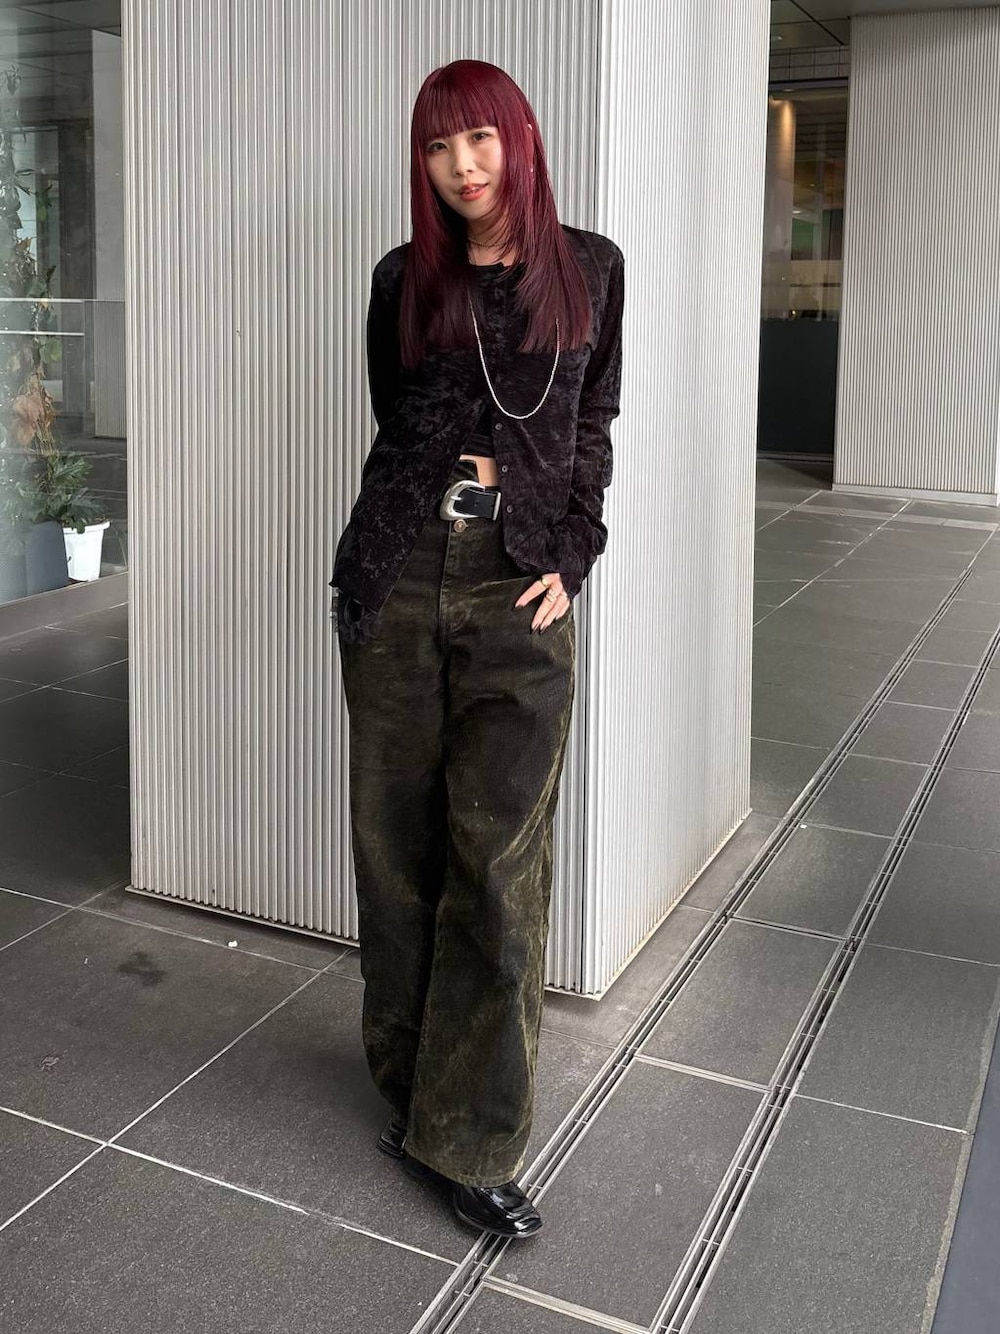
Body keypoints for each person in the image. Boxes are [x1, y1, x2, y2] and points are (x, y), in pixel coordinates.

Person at [331, 58, 624, 1240]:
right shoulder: (403, 279)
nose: (462, 165)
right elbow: (394, 421)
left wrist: (574, 547)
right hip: (399, 570)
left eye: (480, 138)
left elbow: (591, 422)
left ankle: (473, 1133)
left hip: (519, 586)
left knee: (499, 867)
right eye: (438, 146)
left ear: (520, 138)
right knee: (395, 845)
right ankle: (412, 1090)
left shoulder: (589, 269)